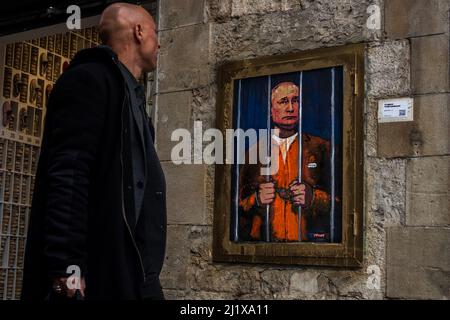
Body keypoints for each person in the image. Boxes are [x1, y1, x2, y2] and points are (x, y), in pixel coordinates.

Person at [21, 3, 166, 300]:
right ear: (138, 31)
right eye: (155, 31)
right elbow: (69, 175)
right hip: (102, 270)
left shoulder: (133, 98)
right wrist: (67, 266)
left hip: (135, 270)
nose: (159, 41)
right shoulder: (89, 80)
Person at [239, 82, 335, 242]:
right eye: (283, 101)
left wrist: (313, 198)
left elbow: (343, 203)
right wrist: (255, 199)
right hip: (264, 246)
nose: (291, 108)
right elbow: (236, 206)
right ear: (270, 110)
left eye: (295, 100)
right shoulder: (253, 153)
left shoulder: (322, 148)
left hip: (310, 245)